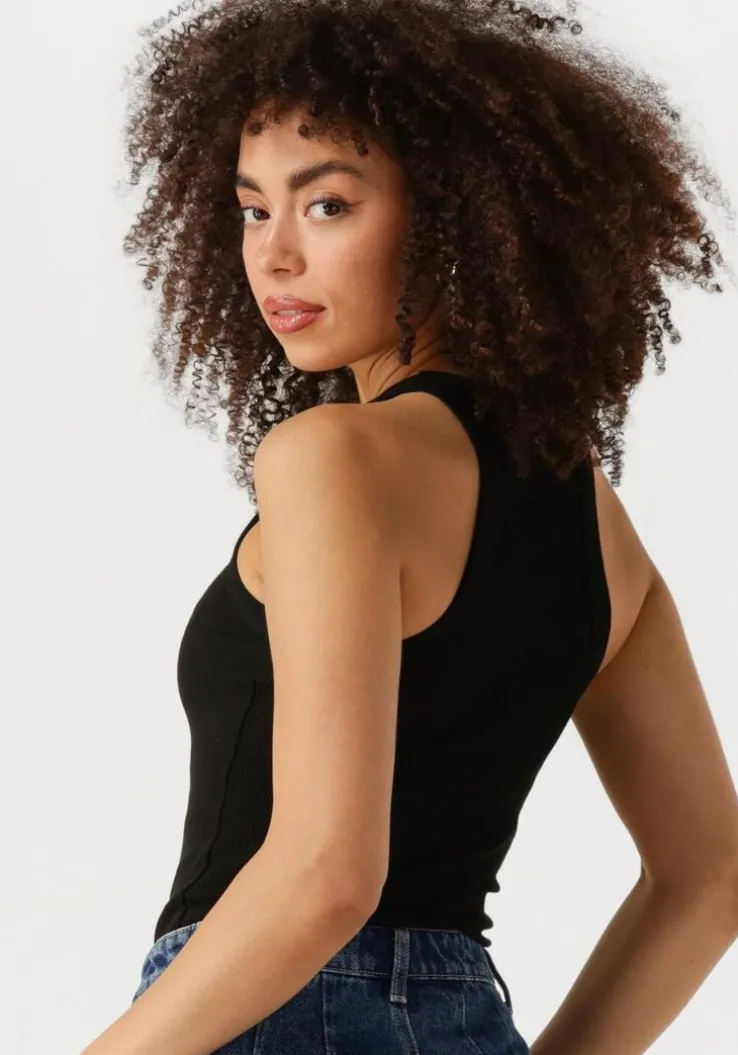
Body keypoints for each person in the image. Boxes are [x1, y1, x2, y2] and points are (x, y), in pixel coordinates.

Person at [81, 2, 738, 1053]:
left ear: (453, 213)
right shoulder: (595, 521)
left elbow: (326, 875)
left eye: (327, 204)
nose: (274, 254)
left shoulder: (330, 457)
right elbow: (712, 874)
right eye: (252, 209)